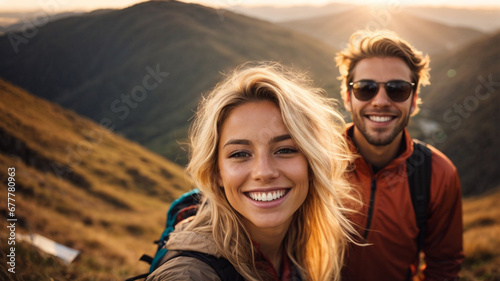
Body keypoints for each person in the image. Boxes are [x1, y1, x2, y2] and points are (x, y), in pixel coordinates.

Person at [146, 62, 361, 281]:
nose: (264, 172)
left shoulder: (300, 244)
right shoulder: (189, 275)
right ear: (216, 172)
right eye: (240, 154)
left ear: (312, 163)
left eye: (285, 150)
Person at [335, 30, 464, 281]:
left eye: (397, 89)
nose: (381, 101)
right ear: (348, 97)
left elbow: (444, 267)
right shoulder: (315, 162)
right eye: (365, 88)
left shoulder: (437, 174)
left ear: (414, 100)